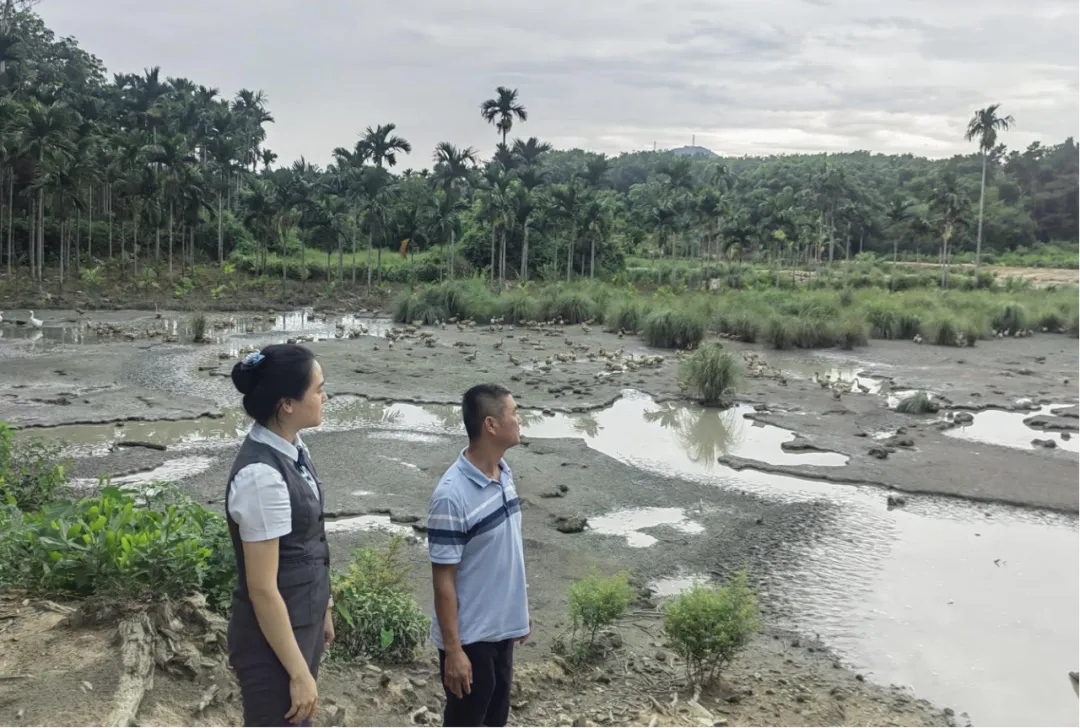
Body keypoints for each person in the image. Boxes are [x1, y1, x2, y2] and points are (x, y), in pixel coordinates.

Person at [226, 344, 333, 727]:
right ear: (287, 404)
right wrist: (299, 673)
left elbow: (309, 541)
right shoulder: (261, 477)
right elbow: (262, 588)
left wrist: (324, 607)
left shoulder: (293, 449)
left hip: (297, 625)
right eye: (318, 389)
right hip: (269, 643)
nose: (325, 397)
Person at [427, 383, 532, 728]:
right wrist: (454, 651)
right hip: (471, 640)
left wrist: (519, 612)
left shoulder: (504, 473)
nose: (520, 419)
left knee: (494, 719)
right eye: (514, 413)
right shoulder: (451, 496)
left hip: (501, 632)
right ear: (491, 425)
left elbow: (506, 553)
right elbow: (443, 580)